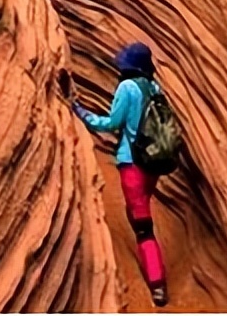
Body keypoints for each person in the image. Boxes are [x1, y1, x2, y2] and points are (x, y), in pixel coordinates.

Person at [71, 42, 169, 306]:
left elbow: (112, 123)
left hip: (132, 164)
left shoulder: (127, 88)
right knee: (140, 210)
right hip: (152, 164)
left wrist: (83, 114)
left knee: (142, 229)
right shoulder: (154, 87)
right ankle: (150, 255)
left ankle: (158, 285)